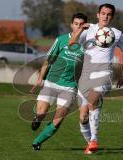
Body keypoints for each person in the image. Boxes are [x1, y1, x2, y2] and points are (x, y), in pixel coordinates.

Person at [69, 3, 123, 154]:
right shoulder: (88, 29)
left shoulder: (117, 33)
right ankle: (90, 144)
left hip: (104, 74)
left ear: (112, 17)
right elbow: (71, 44)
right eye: (103, 13)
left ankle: (94, 139)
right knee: (83, 117)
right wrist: (81, 29)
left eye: (109, 14)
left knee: (92, 101)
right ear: (98, 15)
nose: (106, 16)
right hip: (85, 75)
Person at [30, 13, 87, 151]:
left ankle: (37, 142)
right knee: (41, 113)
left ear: (86, 27)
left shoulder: (87, 45)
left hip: (69, 87)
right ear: (71, 25)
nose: (78, 27)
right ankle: (37, 118)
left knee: (58, 120)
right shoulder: (61, 40)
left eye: (82, 25)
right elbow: (48, 59)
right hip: (51, 82)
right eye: (76, 24)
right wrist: (39, 78)